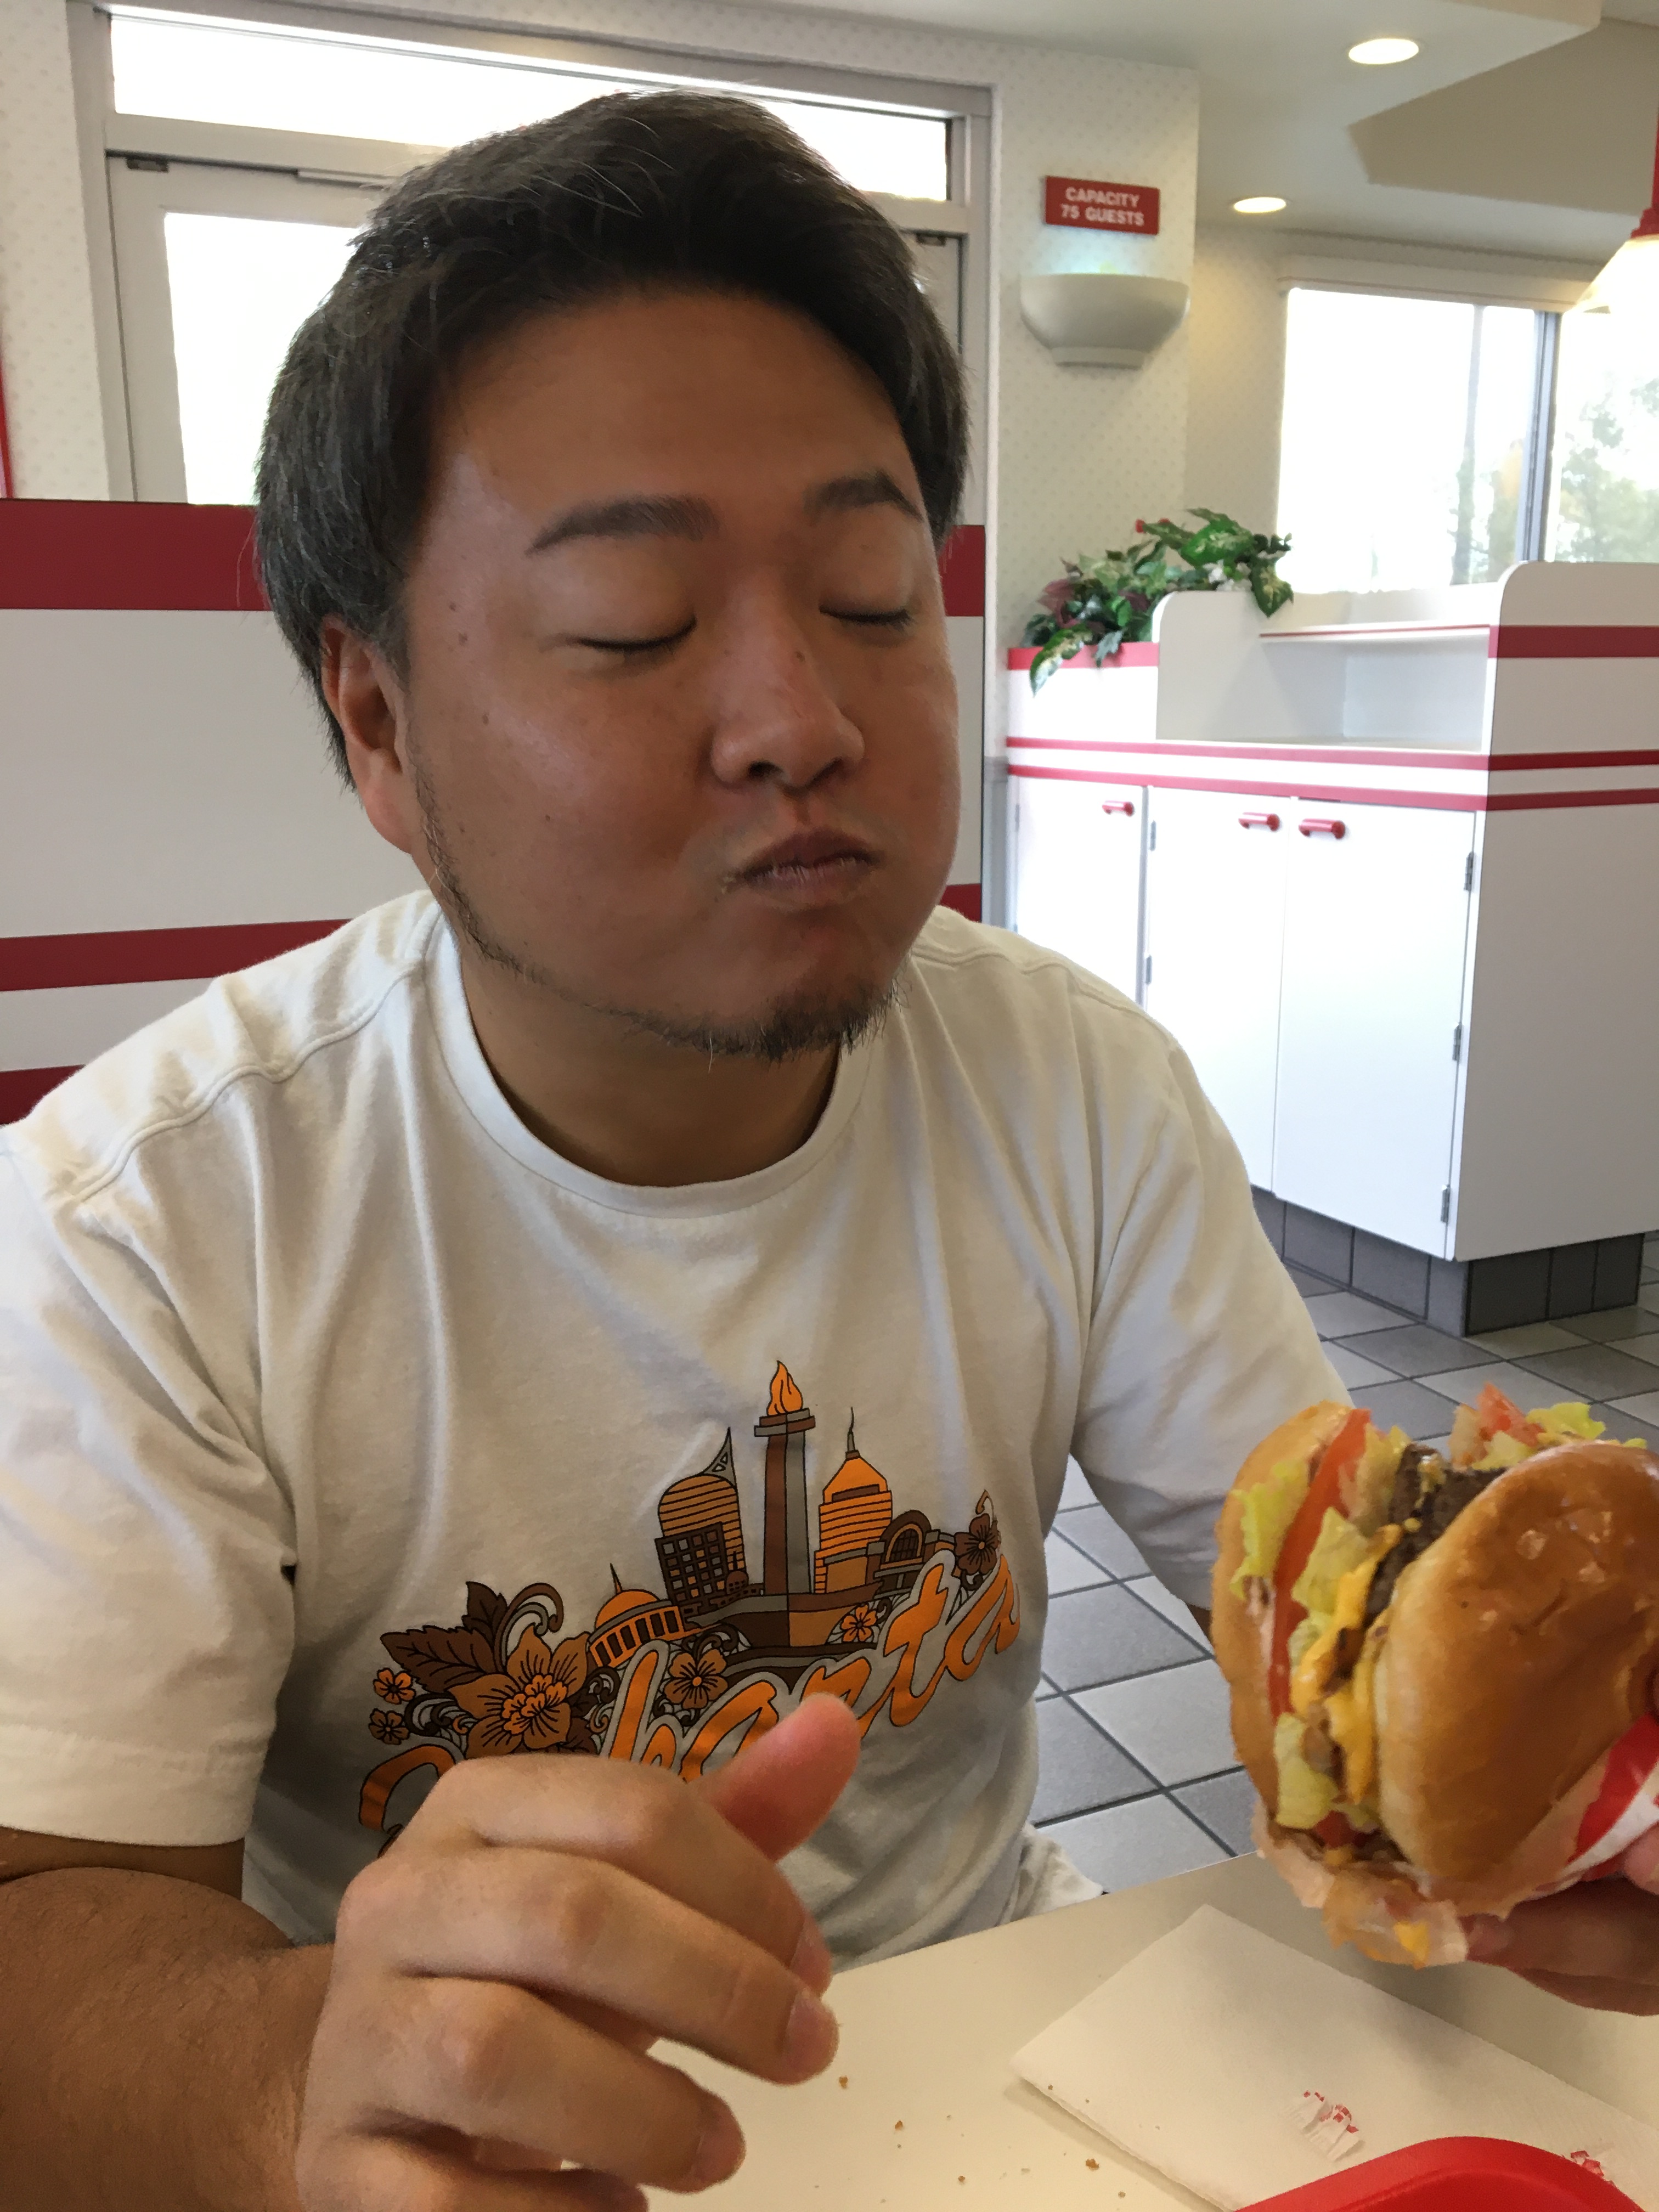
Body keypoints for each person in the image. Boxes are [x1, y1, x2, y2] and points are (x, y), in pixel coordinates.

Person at [0, 90, 1651, 2212]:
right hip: (466, 2150)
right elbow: (49, 1925)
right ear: (377, 724)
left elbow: (1332, 1614)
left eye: (875, 595)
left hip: (1002, 2070)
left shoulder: (1076, 1086)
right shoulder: (148, 1221)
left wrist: (1577, 1790)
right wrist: (290, 2082)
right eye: (635, 623)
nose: (804, 718)